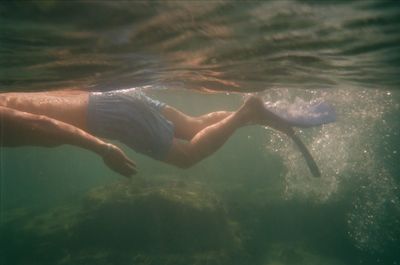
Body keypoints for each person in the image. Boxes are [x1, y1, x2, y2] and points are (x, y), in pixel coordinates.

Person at [0, 88, 294, 178]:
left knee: (186, 155)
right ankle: (256, 117)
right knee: (193, 125)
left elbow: (43, 124)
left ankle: (246, 111)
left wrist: (103, 149)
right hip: (109, 98)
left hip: (108, 115)